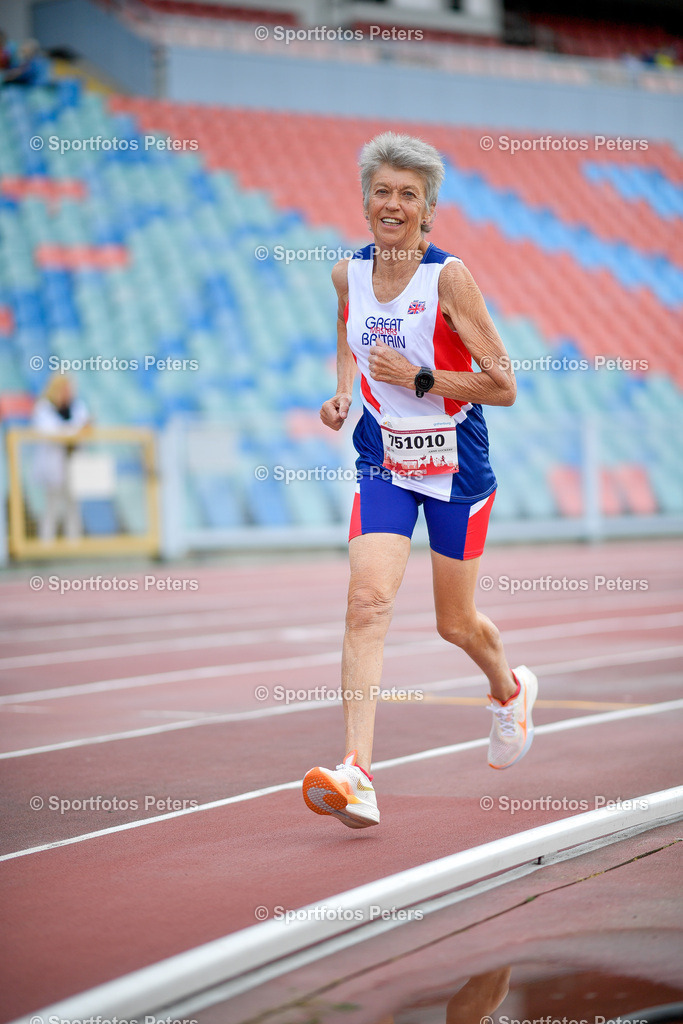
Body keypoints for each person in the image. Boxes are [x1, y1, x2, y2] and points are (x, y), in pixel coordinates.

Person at [302, 133, 538, 829]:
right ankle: (357, 772)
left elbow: (504, 386)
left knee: (452, 623)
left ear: (428, 210)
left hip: (455, 463)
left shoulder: (449, 279)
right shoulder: (347, 273)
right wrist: (343, 391)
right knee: (367, 603)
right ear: (365, 201)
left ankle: (507, 689)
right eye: (383, 191)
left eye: (409, 194)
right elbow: (348, 328)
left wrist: (420, 379)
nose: (393, 204)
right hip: (381, 457)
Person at [32, 373, 91, 542]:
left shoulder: (77, 406)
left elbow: (83, 427)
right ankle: (46, 545)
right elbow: (51, 431)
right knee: (52, 507)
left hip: (73, 461)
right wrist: (74, 430)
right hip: (53, 464)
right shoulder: (44, 407)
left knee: (74, 506)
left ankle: (73, 544)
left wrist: (75, 430)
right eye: (66, 388)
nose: (69, 392)